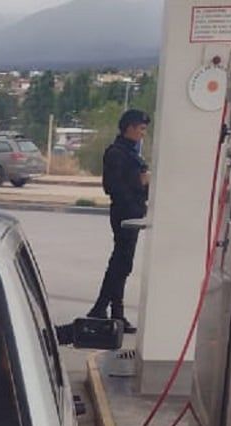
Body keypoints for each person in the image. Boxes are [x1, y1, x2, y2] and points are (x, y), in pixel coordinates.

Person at [87, 109, 152, 334]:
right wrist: (140, 182)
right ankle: (103, 309)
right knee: (121, 263)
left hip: (133, 211)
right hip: (124, 213)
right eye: (141, 129)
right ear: (130, 128)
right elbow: (112, 186)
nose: (143, 134)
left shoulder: (132, 152)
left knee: (122, 264)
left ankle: (112, 311)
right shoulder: (117, 153)